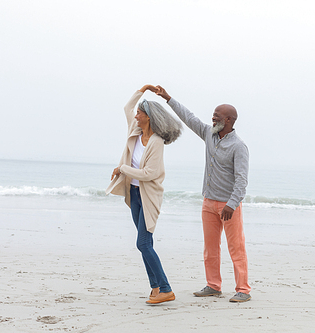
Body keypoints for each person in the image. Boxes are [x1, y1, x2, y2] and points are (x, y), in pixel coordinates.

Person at [155, 85, 251, 302]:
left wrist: (232, 204)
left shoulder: (239, 146)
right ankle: (213, 286)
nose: (212, 118)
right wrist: (168, 98)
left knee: (236, 248)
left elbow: (242, 181)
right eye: (213, 115)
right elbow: (189, 118)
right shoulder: (209, 134)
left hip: (229, 206)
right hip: (208, 202)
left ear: (228, 120)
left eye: (217, 116)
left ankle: (243, 290)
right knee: (210, 249)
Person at [106, 84, 182, 304]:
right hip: (134, 194)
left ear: (148, 117)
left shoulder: (157, 142)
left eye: (140, 113)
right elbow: (127, 107)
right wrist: (144, 89)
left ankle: (166, 289)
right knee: (145, 243)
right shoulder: (135, 131)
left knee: (143, 244)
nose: (136, 115)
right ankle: (156, 287)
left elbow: (149, 174)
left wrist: (122, 168)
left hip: (148, 197)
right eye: (137, 113)